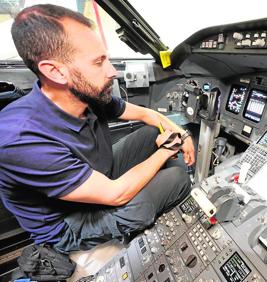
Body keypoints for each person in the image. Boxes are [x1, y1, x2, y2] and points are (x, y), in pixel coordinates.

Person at [0, 4, 195, 254]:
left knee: (153, 131)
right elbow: (116, 195)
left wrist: (182, 133)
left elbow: (147, 114)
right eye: (99, 61)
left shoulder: (87, 94)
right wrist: (167, 151)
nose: (112, 72)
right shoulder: (20, 138)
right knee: (176, 179)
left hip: (96, 176)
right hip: (67, 224)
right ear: (56, 71)